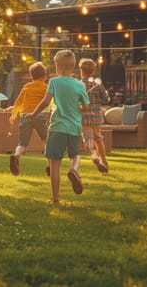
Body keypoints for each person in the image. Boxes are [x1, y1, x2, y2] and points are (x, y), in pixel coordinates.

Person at [26, 50, 89, 204]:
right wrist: (77, 109)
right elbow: (85, 107)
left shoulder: (54, 82)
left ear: (59, 67)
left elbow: (46, 101)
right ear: (72, 66)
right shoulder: (80, 85)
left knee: (54, 163)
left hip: (57, 127)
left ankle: (55, 199)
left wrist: (33, 114)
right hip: (74, 128)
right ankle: (74, 169)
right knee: (75, 155)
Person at [8, 61, 49, 176]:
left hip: (25, 116)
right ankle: (49, 165)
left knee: (22, 144)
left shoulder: (26, 87)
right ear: (45, 76)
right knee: (48, 141)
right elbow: (48, 102)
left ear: (31, 76)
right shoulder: (46, 87)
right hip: (38, 115)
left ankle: (16, 156)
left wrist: (13, 115)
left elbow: (18, 102)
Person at [79, 58, 110, 173]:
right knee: (98, 139)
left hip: (84, 118)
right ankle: (104, 162)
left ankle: (95, 158)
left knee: (88, 142)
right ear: (93, 71)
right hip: (96, 118)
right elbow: (106, 100)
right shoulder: (97, 85)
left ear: (81, 70)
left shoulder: (78, 84)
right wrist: (107, 94)